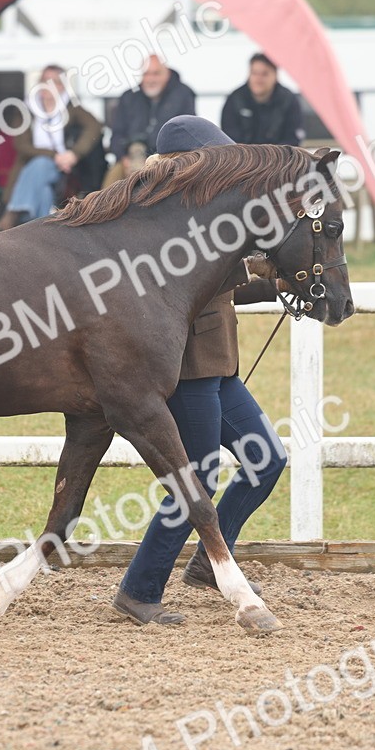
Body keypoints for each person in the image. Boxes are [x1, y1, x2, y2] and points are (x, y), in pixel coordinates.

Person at [112, 115, 287, 626]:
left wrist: (276, 280)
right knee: (198, 478)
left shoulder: (200, 211)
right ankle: (140, 588)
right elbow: (197, 284)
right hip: (187, 367)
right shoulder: (164, 218)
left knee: (267, 459)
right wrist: (257, 272)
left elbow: (225, 282)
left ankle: (213, 561)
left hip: (219, 364)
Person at [0, 65, 103, 231]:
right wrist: (53, 155)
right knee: (43, 186)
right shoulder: (26, 110)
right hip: (30, 169)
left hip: (63, 172)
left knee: (43, 164)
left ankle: (13, 213)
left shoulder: (71, 109)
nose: (48, 86)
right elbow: (21, 145)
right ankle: (40, 230)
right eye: (45, 81)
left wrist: (74, 154)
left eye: (55, 82)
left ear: (63, 86)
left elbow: (94, 126)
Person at [102, 55, 196, 187]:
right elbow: (117, 134)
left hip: (169, 161)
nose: (150, 79)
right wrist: (123, 158)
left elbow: (188, 133)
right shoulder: (129, 97)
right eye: (146, 74)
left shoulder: (183, 94)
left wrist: (163, 160)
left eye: (156, 74)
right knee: (108, 191)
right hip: (130, 160)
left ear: (167, 74)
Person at [220, 53, 304, 146]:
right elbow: (228, 139)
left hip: (280, 158)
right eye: (254, 73)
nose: (258, 79)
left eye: (264, 74)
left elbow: (293, 139)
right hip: (244, 158)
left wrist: (274, 155)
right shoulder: (234, 100)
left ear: (275, 75)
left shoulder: (289, 100)